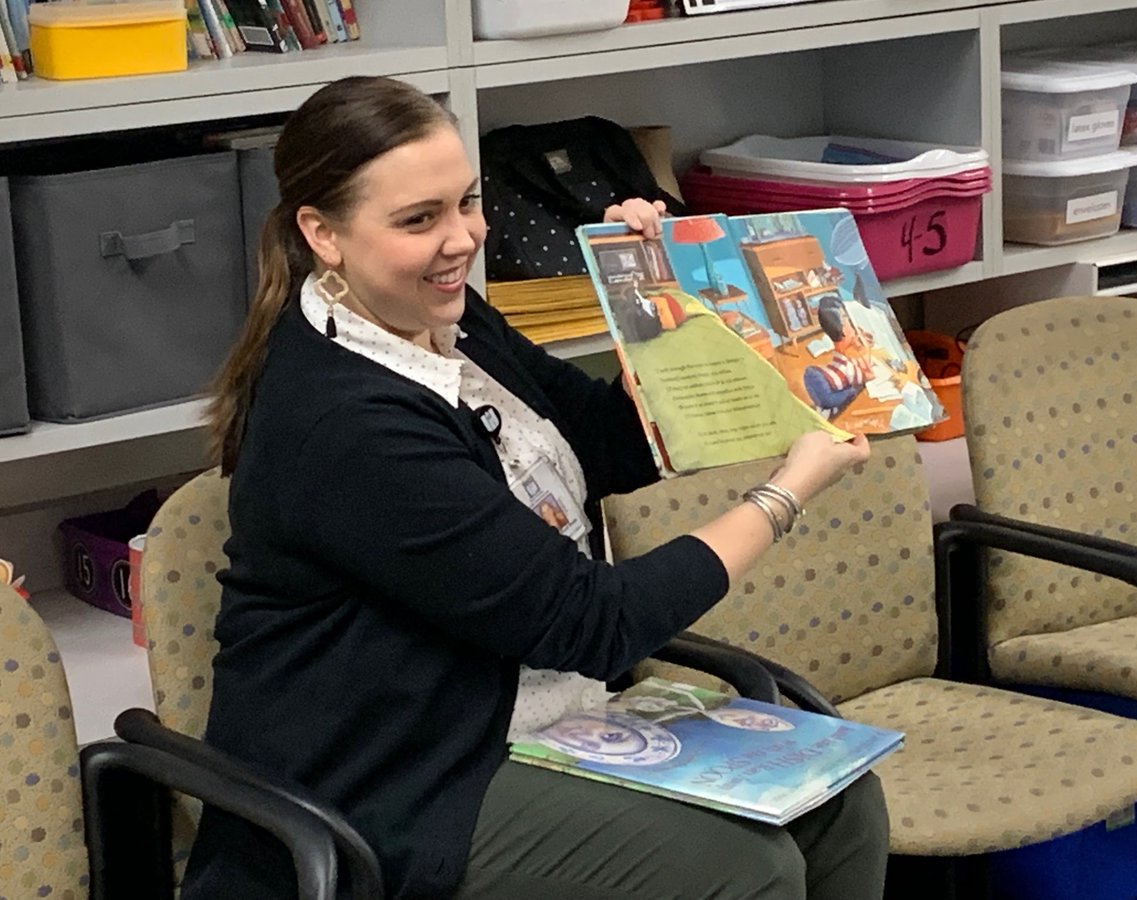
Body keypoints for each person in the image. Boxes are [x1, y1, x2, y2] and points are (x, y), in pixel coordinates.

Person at [187, 75, 884, 900]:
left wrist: (655, 289)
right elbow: (594, 623)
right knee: (739, 868)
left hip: (541, 712)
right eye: (419, 220)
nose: (463, 240)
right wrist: (784, 496)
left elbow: (612, 441)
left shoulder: (445, 316)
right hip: (404, 778)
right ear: (322, 233)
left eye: (467, 203)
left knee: (845, 805)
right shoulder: (344, 420)